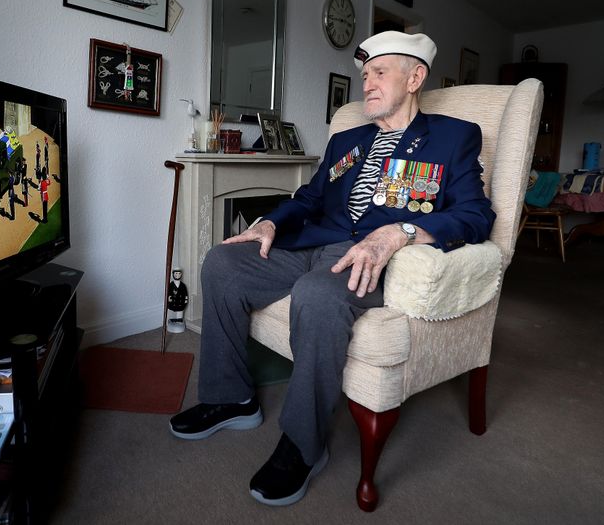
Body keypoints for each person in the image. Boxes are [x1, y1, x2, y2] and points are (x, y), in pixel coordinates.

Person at [168, 32, 496, 507]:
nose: (369, 83)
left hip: (373, 257)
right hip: (316, 240)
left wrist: (401, 232)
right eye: (366, 75)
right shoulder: (348, 138)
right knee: (223, 262)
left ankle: (303, 443)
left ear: (415, 78)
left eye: (380, 72)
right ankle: (230, 398)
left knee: (317, 295)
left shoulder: (452, 136)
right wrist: (268, 224)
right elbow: (310, 199)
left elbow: (476, 216)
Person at [166, 267, 189, 333]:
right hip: (172, 304)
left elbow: (185, 295)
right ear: (173, 274)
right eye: (176, 273)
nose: (177, 275)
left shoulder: (183, 285)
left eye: (179, 273)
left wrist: (185, 302)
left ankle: (179, 323)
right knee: (171, 314)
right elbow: (168, 294)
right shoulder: (170, 285)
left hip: (180, 304)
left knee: (179, 315)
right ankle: (171, 323)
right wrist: (169, 299)